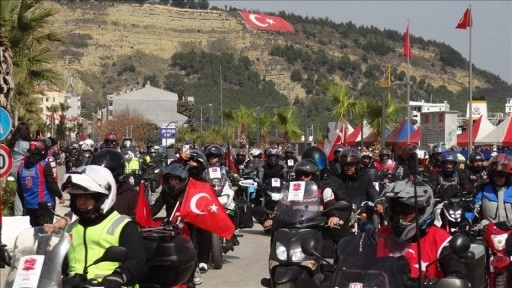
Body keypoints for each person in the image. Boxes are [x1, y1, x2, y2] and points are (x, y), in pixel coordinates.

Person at [61, 165, 148, 288]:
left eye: (86, 196)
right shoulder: (70, 229)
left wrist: (120, 276)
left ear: (101, 198)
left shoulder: (124, 226)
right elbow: (61, 264)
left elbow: (138, 262)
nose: (80, 202)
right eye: (77, 197)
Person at [377, 179, 468, 280]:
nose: (399, 217)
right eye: (394, 210)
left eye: (405, 211)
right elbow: (360, 264)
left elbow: (457, 273)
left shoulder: (439, 239)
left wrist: (437, 284)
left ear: (423, 210)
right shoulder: (381, 235)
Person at [17, 141, 65, 227]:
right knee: (45, 233)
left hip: (30, 205)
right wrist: (60, 196)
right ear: (42, 152)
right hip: (44, 205)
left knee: (35, 231)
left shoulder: (21, 167)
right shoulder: (44, 165)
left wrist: (25, 204)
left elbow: (19, 189)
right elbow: (51, 184)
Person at [337, 148, 382, 231]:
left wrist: (377, 202)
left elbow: (372, 190)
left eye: (351, 165)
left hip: (362, 216)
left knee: (369, 228)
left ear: (357, 165)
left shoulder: (364, 178)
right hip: (344, 217)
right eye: (346, 165)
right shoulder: (338, 180)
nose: (348, 167)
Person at [89, 148, 139, 217]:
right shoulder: (89, 193)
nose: (99, 178)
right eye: (96, 173)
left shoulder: (133, 197)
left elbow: (140, 221)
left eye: (105, 174)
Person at [473, 153, 512, 226]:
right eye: (495, 174)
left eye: (502, 175)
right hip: (488, 230)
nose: (497, 177)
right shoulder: (483, 188)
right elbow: (473, 207)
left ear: (508, 176)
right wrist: (466, 220)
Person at [6, 121, 31, 216]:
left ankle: (18, 213)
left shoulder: (12, 142)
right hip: (22, 168)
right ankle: (26, 211)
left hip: (12, 168)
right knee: (26, 189)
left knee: (18, 190)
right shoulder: (26, 144)